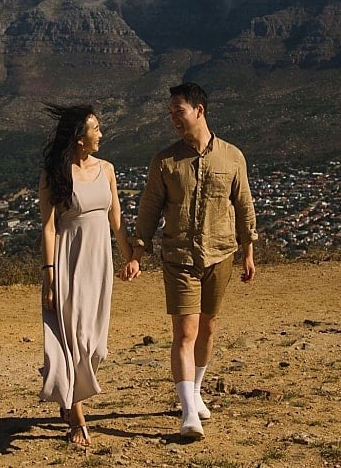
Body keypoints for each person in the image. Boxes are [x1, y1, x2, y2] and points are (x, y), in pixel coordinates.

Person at [121, 82, 257, 441]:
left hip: (220, 254)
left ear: (199, 110)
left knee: (208, 328)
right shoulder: (164, 161)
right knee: (185, 332)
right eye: (170, 113)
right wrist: (137, 253)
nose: (173, 119)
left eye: (177, 112)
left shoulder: (232, 157)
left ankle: (195, 391)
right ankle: (186, 413)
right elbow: (149, 209)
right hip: (178, 256)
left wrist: (248, 250)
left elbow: (243, 206)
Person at [38, 103, 132, 448]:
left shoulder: (107, 169)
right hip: (67, 260)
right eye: (96, 129)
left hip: (100, 262)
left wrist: (131, 256)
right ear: (79, 138)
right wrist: (49, 275)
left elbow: (116, 219)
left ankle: (64, 385)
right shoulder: (54, 173)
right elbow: (48, 228)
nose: (101, 135)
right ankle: (76, 416)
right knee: (72, 338)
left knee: (96, 346)